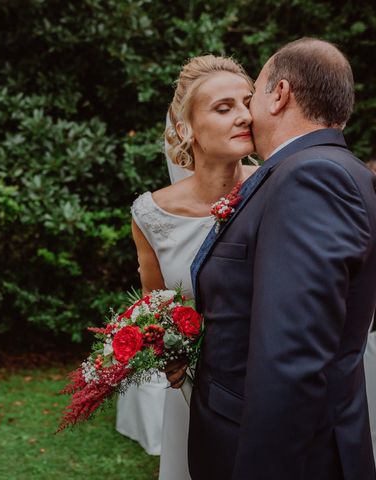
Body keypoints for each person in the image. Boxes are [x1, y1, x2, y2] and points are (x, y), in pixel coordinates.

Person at [184, 38, 376, 480]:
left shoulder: (312, 177)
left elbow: (292, 359)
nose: (246, 114)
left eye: (253, 96)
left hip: (273, 454)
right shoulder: (332, 169)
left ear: (281, 93)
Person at [121, 55, 256, 479]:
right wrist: (166, 353)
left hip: (266, 387)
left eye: (247, 102)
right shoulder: (151, 214)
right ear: (186, 130)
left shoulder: (275, 186)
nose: (244, 115)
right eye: (223, 107)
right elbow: (154, 303)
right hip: (193, 395)